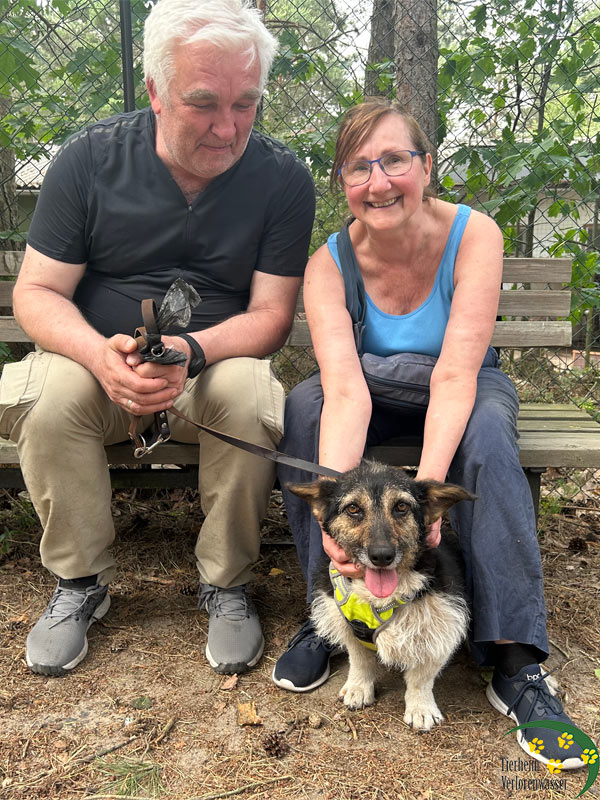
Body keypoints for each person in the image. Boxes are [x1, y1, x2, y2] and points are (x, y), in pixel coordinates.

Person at [0, 0, 315, 678]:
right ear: (155, 91)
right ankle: (80, 581)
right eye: (203, 104)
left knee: (249, 390)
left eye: (246, 103)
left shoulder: (283, 179)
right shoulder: (88, 160)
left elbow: (271, 315)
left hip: (210, 370)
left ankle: (227, 583)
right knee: (48, 397)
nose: (228, 127)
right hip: (99, 366)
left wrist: (192, 353)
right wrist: (98, 356)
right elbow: (37, 293)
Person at [272, 98, 584, 768]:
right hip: (371, 385)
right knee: (304, 405)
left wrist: (428, 500)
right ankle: (333, 612)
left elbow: (455, 375)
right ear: (342, 181)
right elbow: (345, 387)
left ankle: (513, 655)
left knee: (490, 434)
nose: (379, 181)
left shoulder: (474, 235)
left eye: (395, 160)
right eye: (359, 167)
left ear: (426, 165)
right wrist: (333, 518)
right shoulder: (329, 263)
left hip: (461, 379)